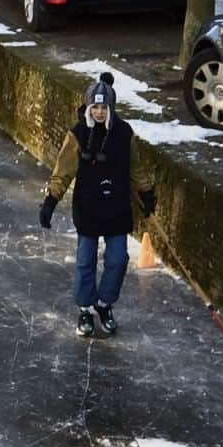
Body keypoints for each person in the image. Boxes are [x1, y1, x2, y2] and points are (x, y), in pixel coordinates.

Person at [39, 73, 156, 337]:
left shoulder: (124, 133)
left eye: (105, 107)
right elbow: (63, 170)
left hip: (116, 207)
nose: (100, 112)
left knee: (117, 260)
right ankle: (85, 309)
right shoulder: (78, 134)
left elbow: (136, 167)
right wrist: (51, 200)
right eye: (96, 107)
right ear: (89, 107)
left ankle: (104, 304)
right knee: (85, 262)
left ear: (111, 108)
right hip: (88, 208)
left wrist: (147, 192)